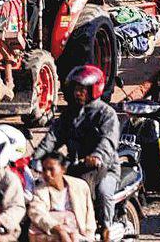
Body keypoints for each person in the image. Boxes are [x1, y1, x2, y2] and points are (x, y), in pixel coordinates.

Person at [32, 66, 119, 242]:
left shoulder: (106, 113)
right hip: (76, 168)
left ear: (94, 89)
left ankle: (106, 230)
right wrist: (34, 157)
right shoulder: (68, 115)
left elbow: (108, 141)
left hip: (105, 168)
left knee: (102, 192)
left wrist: (97, 156)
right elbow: (52, 138)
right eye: (75, 89)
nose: (77, 93)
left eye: (81, 89)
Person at [27, 152, 96, 242]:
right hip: (51, 234)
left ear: (63, 169)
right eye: (44, 170)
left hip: (78, 234)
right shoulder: (40, 191)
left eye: (51, 169)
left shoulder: (80, 186)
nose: (47, 173)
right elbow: (37, 213)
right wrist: (59, 229)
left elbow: (89, 215)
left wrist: (89, 236)